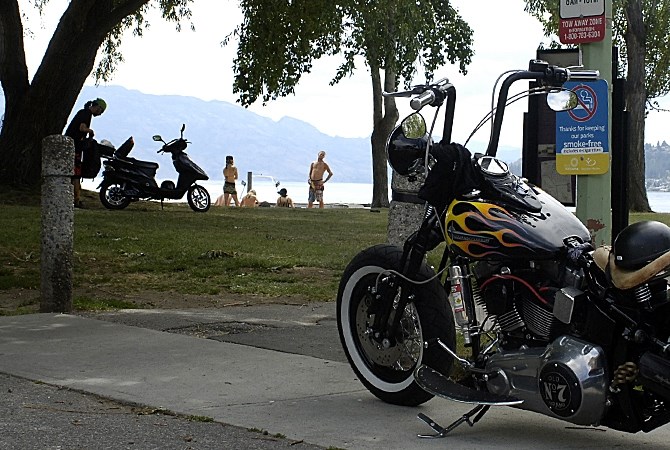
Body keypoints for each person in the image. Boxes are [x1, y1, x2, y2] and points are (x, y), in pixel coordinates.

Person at [64, 98, 107, 208]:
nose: (100, 114)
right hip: (74, 148)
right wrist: (90, 131)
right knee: (76, 175)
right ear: (97, 107)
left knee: (72, 174)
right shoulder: (86, 113)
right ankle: (75, 200)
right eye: (101, 111)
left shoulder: (83, 112)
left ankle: (73, 198)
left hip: (71, 147)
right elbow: (82, 128)